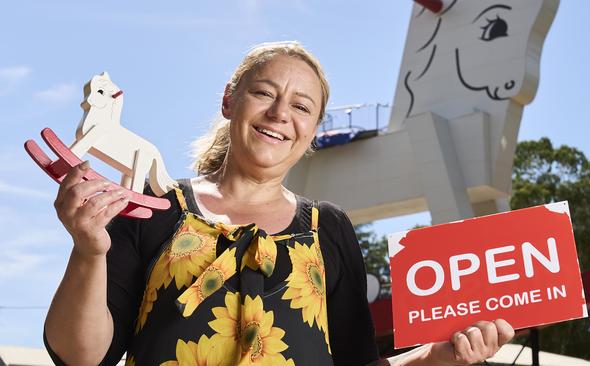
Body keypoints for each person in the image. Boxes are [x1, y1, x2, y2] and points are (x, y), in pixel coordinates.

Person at [44, 41, 514, 366]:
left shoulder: (329, 229)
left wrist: (438, 356)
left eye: (301, 106)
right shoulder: (154, 208)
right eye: (264, 93)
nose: (279, 114)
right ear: (230, 101)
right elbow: (80, 356)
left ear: (311, 131)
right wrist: (89, 251)